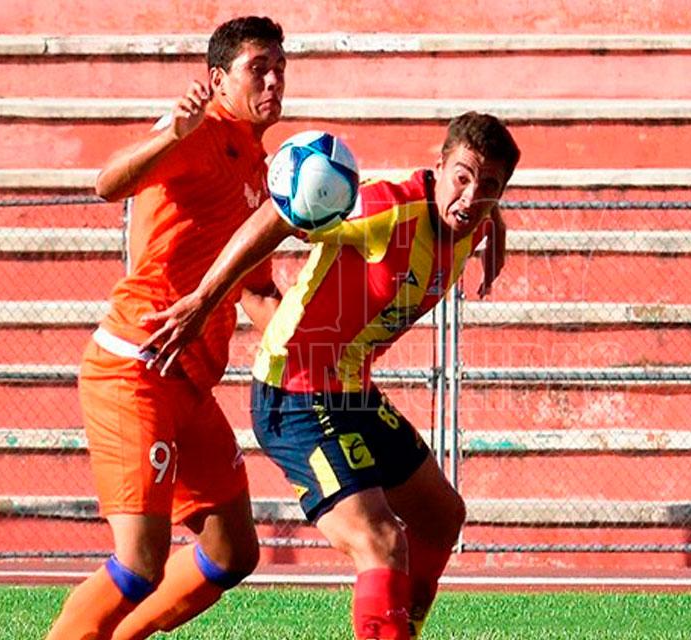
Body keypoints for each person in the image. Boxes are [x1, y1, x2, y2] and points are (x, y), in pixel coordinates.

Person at [139, 111, 521, 639]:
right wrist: (203, 301)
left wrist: (495, 230)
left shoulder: (473, 216)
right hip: (294, 392)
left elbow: (481, 205)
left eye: (489, 188)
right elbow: (279, 215)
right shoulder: (386, 208)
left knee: (441, 516)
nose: (471, 196)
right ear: (438, 166)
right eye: (462, 177)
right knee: (381, 542)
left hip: (351, 391)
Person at [45, 16, 287, 640]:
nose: (273, 79)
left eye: (279, 67)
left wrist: (312, 348)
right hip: (138, 365)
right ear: (218, 79)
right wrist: (170, 133)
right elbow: (107, 183)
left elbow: (256, 291)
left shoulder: (258, 167)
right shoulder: (198, 132)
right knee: (139, 563)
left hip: (190, 383)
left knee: (233, 550)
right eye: (257, 68)